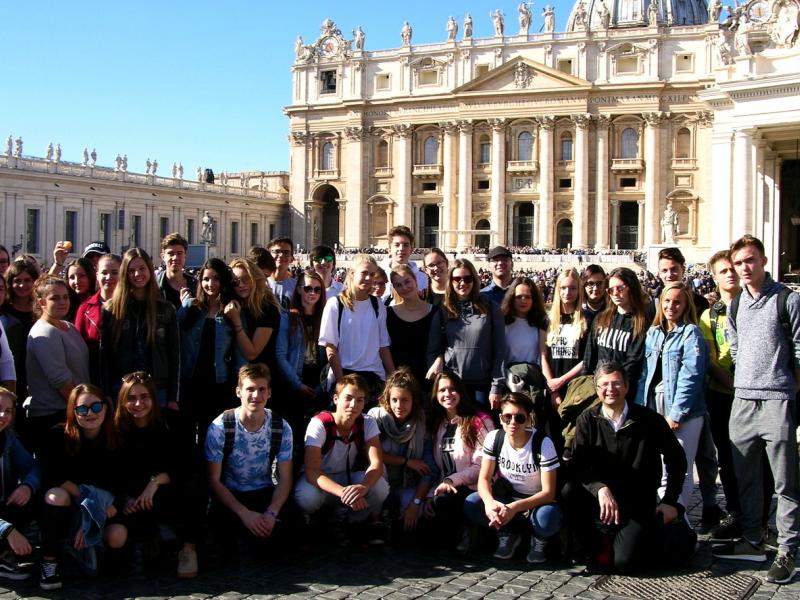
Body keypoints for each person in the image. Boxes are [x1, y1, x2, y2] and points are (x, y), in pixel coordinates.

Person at [713, 235, 800, 584]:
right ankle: (752, 537)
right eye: (739, 263)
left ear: (763, 260)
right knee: (745, 476)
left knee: (784, 481)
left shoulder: (787, 300)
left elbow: (799, 347)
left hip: (777, 398)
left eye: (750, 260)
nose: (744, 268)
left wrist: (789, 387)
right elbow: (735, 345)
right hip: (743, 400)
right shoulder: (736, 306)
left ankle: (788, 548)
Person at [562, 362, 695, 573]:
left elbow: (676, 458)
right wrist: (600, 488)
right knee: (569, 491)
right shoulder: (588, 419)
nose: (610, 389)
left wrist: (671, 501)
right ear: (597, 389)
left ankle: (673, 532)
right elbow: (580, 464)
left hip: (637, 501)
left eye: (616, 384)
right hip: (603, 498)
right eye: (604, 384)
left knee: (625, 562)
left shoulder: (649, 420)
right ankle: (592, 544)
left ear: (626, 387)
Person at [701, 250, 771, 543]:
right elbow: (712, 360)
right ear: (714, 277)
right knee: (728, 459)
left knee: (762, 458)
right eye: (723, 270)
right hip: (724, 393)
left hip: (758, 392)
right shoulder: (709, 315)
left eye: (733, 268)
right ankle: (736, 512)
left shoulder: (758, 305)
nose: (731, 273)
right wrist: (734, 384)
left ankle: (763, 518)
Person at [38, 384, 126, 590]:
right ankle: (49, 561)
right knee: (55, 496)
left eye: (96, 407)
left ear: (105, 407)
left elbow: (120, 482)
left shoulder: (116, 438)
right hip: (70, 504)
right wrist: (90, 503)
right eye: (82, 409)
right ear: (73, 412)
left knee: (118, 536)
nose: (90, 413)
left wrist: (95, 514)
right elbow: (53, 476)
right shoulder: (58, 435)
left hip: (105, 506)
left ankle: (91, 554)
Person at [114, 371, 199, 579]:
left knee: (194, 486)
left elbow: (187, 464)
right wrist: (126, 497)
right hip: (137, 496)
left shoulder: (172, 422)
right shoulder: (117, 430)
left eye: (144, 397)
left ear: (153, 397)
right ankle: (151, 539)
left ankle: (189, 548)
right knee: (150, 566)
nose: (138, 404)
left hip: (169, 487)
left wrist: (156, 481)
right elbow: (115, 472)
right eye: (131, 398)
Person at [206, 363, 295, 556]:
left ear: (269, 393)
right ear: (238, 392)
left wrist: (271, 513)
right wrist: (244, 513)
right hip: (230, 494)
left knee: (287, 538)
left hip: (263, 491)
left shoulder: (281, 427)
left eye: (261, 389)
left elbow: (285, 478)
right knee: (223, 548)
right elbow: (213, 480)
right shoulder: (220, 426)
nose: (256, 395)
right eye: (250, 389)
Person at [635, 282, 708, 510]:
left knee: (679, 468)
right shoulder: (653, 332)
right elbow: (644, 373)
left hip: (681, 407)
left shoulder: (691, 333)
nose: (671, 306)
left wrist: (677, 413)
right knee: (656, 466)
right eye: (667, 301)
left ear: (686, 305)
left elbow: (691, 376)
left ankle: (678, 521)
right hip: (653, 404)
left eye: (677, 302)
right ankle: (662, 518)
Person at [464, 392, 561, 563]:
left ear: (529, 419)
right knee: (472, 503)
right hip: (506, 498)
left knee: (548, 518)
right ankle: (506, 533)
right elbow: (484, 479)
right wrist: (490, 503)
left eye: (520, 418)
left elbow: (549, 493)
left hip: (535, 502)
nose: (513, 423)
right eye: (508, 417)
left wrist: (515, 507)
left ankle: (539, 540)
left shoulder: (543, 443)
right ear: (501, 418)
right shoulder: (494, 438)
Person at [293, 374, 389, 539]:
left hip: (346, 478)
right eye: (348, 398)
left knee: (380, 487)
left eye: (360, 400)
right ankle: (311, 521)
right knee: (306, 496)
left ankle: (350, 521)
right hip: (320, 482)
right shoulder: (319, 423)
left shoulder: (367, 422)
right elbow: (312, 472)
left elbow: (376, 464)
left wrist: (363, 487)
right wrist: (344, 493)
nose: (354, 405)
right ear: (336, 399)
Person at [100, 248, 180, 410]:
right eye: (131, 270)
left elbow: (175, 355)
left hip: (158, 388)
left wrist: (173, 397)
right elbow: (104, 356)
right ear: (125, 274)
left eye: (142, 269)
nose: (137, 274)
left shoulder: (165, 309)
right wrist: (106, 392)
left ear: (150, 270)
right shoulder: (111, 310)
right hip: (121, 388)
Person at [426, 372, 494, 550]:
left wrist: (451, 480)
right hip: (445, 486)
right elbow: (437, 468)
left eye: (452, 389)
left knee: (447, 506)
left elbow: (481, 466)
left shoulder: (479, 420)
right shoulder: (437, 423)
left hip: (473, 486)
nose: (447, 394)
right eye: (442, 390)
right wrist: (429, 494)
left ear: (461, 392)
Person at [427, 259, 505, 408]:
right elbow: (434, 348)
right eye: (457, 279)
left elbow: (500, 349)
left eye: (467, 279)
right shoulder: (443, 310)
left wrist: (497, 386)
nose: (462, 283)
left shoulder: (490, 307)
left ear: (474, 280)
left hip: (482, 384)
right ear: (451, 281)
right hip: (453, 384)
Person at [25, 275, 90, 455]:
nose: (62, 302)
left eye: (65, 297)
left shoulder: (69, 327)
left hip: (74, 410)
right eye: (54, 298)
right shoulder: (44, 333)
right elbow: (61, 382)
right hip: (54, 416)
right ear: (41, 302)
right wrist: (84, 411)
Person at [319, 254, 394, 406]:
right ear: (352, 274)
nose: (368, 278)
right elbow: (330, 347)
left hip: (374, 378)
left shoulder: (377, 305)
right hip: (345, 375)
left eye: (372, 274)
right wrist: (341, 383)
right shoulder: (335, 304)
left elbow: (383, 345)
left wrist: (393, 378)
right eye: (364, 273)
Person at [367, 368, 436, 535]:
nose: (399, 406)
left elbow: (428, 469)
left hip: (406, 482)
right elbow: (371, 456)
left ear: (413, 400)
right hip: (380, 479)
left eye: (405, 400)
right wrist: (407, 461)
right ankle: (376, 520)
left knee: (414, 515)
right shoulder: (376, 418)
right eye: (395, 400)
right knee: (378, 471)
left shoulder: (420, 422)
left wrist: (416, 502)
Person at [178, 258, 236, 450]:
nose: (211, 284)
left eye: (216, 279)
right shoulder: (191, 307)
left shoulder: (231, 310)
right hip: (190, 380)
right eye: (206, 279)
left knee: (211, 436)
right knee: (185, 434)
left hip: (218, 384)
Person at [582, 267, 651, 402]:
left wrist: (612, 384)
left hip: (624, 392)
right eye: (610, 290)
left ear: (631, 287)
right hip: (597, 388)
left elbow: (634, 361)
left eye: (620, 288)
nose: (615, 294)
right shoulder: (601, 318)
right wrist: (587, 383)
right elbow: (589, 356)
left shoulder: (641, 322)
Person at [275, 268, 327, 440]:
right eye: (307, 288)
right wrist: (296, 383)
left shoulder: (327, 317)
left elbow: (332, 353)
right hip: (294, 378)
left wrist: (322, 385)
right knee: (292, 434)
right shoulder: (287, 317)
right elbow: (280, 354)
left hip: (319, 381)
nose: (312, 293)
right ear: (298, 289)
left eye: (317, 289)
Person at [0, 387, 41, 581]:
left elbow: (33, 467)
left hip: (3, 507)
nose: (3, 415)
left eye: (8, 411)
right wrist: (7, 530)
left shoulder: (8, 438)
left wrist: (28, 486)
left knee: (39, 497)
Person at [225, 257, 282, 381]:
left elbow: (252, 353)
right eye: (235, 282)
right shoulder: (237, 304)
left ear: (255, 278)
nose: (241, 285)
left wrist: (236, 321)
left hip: (261, 378)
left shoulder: (267, 307)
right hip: (240, 377)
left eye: (246, 279)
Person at [387, 264, 438, 396]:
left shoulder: (436, 311)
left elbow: (444, 344)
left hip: (429, 381)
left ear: (415, 280)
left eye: (407, 281)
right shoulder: (388, 314)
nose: (404, 287)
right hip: (399, 384)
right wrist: (393, 377)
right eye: (398, 285)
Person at [75, 253, 120, 383]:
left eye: (114, 273)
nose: (109, 277)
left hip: (125, 381)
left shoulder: (131, 306)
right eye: (104, 272)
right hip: (94, 378)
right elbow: (78, 349)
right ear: (97, 275)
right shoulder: (85, 308)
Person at [379, 226, 427, 302]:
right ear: (389, 250)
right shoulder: (377, 275)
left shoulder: (422, 278)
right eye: (397, 245)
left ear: (411, 250)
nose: (401, 249)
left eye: (406, 245)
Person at [157, 233, 197, 312]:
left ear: (185, 256)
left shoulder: (196, 287)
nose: (175, 258)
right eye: (171, 254)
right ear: (163, 256)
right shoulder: (154, 286)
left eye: (179, 253)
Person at [267, 237, 297, 309]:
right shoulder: (260, 284)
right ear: (268, 256)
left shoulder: (297, 286)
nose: (281, 255)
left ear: (292, 258)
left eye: (286, 252)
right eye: (277, 251)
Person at [64, 257, 97, 322]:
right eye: (72, 277)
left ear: (91, 276)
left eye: (82, 276)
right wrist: (57, 264)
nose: (77, 281)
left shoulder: (100, 301)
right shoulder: (65, 304)